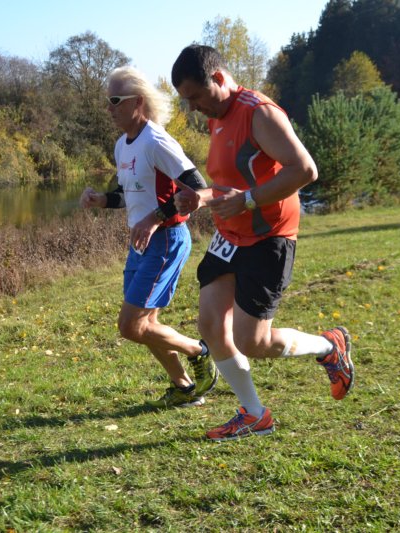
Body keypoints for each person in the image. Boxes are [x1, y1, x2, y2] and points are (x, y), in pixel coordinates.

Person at [170, 45, 354, 441]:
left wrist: (249, 200)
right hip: (229, 236)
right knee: (210, 324)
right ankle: (255, 415)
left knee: (253, 341)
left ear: (219, 78)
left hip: (269, 237)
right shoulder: (217, 118)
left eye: (197, 97)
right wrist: (202, 197)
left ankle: (329, 346)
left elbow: (305, 170)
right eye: (188, 101)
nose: (194, 108)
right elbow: (231, 183)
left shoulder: (259, 113)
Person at [80, 66, 218, 408]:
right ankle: (184, 388)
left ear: (138, 101)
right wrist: (102, 200)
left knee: (131, 326)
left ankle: (199, 351)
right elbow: (128, 195)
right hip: (141, 243)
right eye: (107, 101)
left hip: (167, 239)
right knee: (146, 324)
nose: (108, 108)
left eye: (115, 100)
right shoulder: (121, 146)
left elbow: (196, 188)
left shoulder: (156, 141)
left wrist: (155, 219)